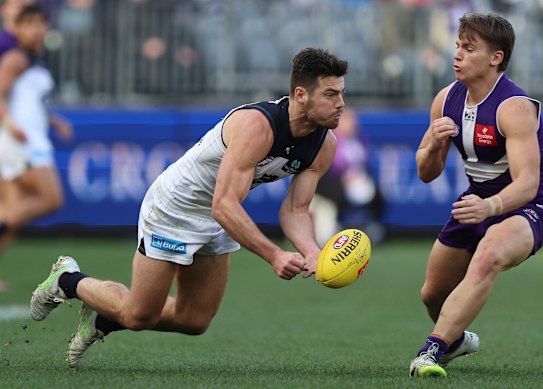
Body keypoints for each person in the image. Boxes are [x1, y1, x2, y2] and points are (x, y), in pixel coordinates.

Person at [30, 47, 348, 368]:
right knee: (139, 314)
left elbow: (294, 210)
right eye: (331, 95)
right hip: (176, 208)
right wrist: (275, 255)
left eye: (341, 94)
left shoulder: (325, 143)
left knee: (195, 320)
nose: (341, 104)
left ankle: (104, 320)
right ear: (300, 95)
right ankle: (67, 279)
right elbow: (223, 205)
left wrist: (311, 251)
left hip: (220, 214)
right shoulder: (258, 125)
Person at [409, 12, 543, 378]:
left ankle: (431, 351)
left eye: (469, 48)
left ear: (496, 58)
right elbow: (427, 174)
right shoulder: (445, 100)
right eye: (458, 45)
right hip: (476, 203)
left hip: (528, 208)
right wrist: (431, 143)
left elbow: (527, 183)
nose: (457, 54)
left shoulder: (515, 107)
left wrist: (489, 207)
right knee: (432, 294)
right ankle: (455, 340)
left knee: (488, 254)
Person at [0, 5, 72, 266]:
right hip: (21, 142)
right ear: (17, 28)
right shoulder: (16, 58)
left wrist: (54, 121)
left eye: (40, 23)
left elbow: (30, 102)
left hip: (30, 138)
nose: (36, 30)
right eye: (28, 24)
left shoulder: (35, 59)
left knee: (12, 205)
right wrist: (8, 122)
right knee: (51, 199)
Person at [310, 107, 384, 246]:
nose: (352, 124)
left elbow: (366, 163)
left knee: (378, 193)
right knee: (337, 192)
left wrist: (358, 176)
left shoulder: (360, 140)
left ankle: (373, 226)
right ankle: (337, 226)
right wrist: (343, 177)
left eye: (353, 120)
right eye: (348, 120)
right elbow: (325, 166)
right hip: (329, 181)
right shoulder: (329, 139)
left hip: (356, 179)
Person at [0, 0, 33, 292]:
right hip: (5, 132)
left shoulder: (22, 45)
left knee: (9, 205)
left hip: (7, 132)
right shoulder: (7, 44)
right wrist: (8, 122)